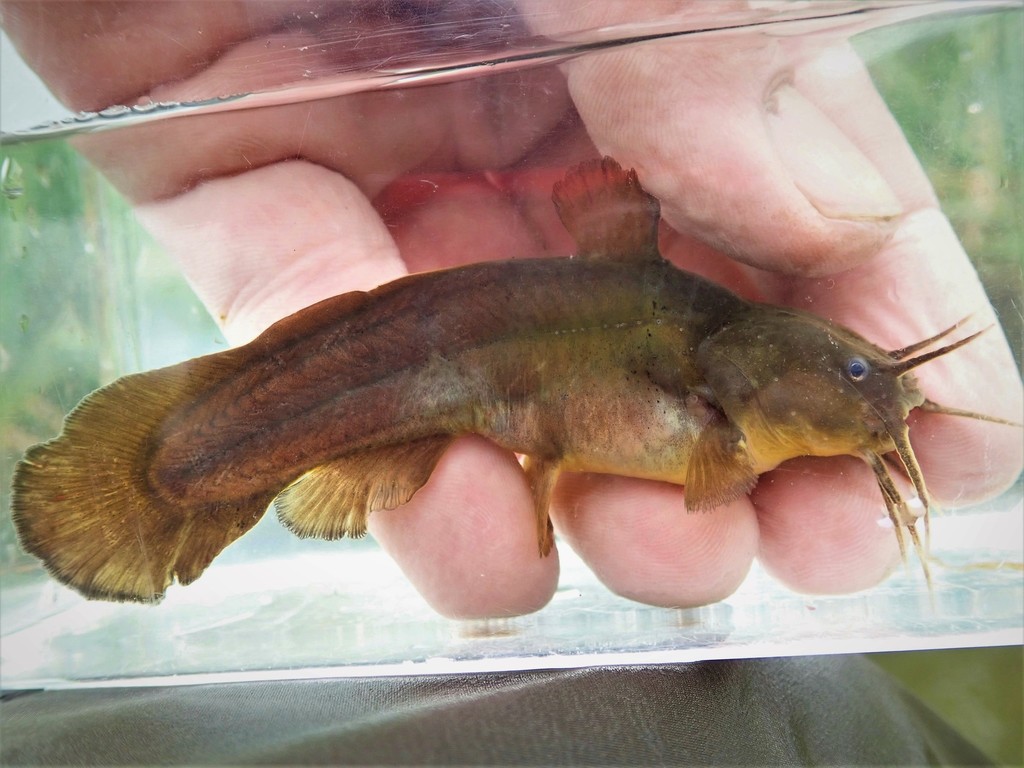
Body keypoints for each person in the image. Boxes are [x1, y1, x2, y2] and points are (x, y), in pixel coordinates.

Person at [2, 0, 1020, 619]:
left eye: (865, 373)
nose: (875, 384)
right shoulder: (703, 366)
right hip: (443, 352)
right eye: (854, 369)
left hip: (456, 353)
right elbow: (703, 478)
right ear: (757, 371)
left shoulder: (711, 362)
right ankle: (162, 481)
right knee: (216, 453)